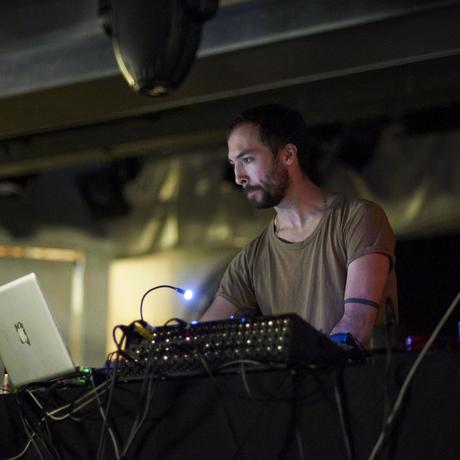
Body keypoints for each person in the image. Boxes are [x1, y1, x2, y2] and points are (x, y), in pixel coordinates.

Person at [200, 104, 397, 347]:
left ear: (288, 155)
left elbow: (356, 325)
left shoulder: (359, 218)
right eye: (233, 164)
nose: (239, 177)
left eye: (247, 160)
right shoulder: (250, 259)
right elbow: (203, 337)